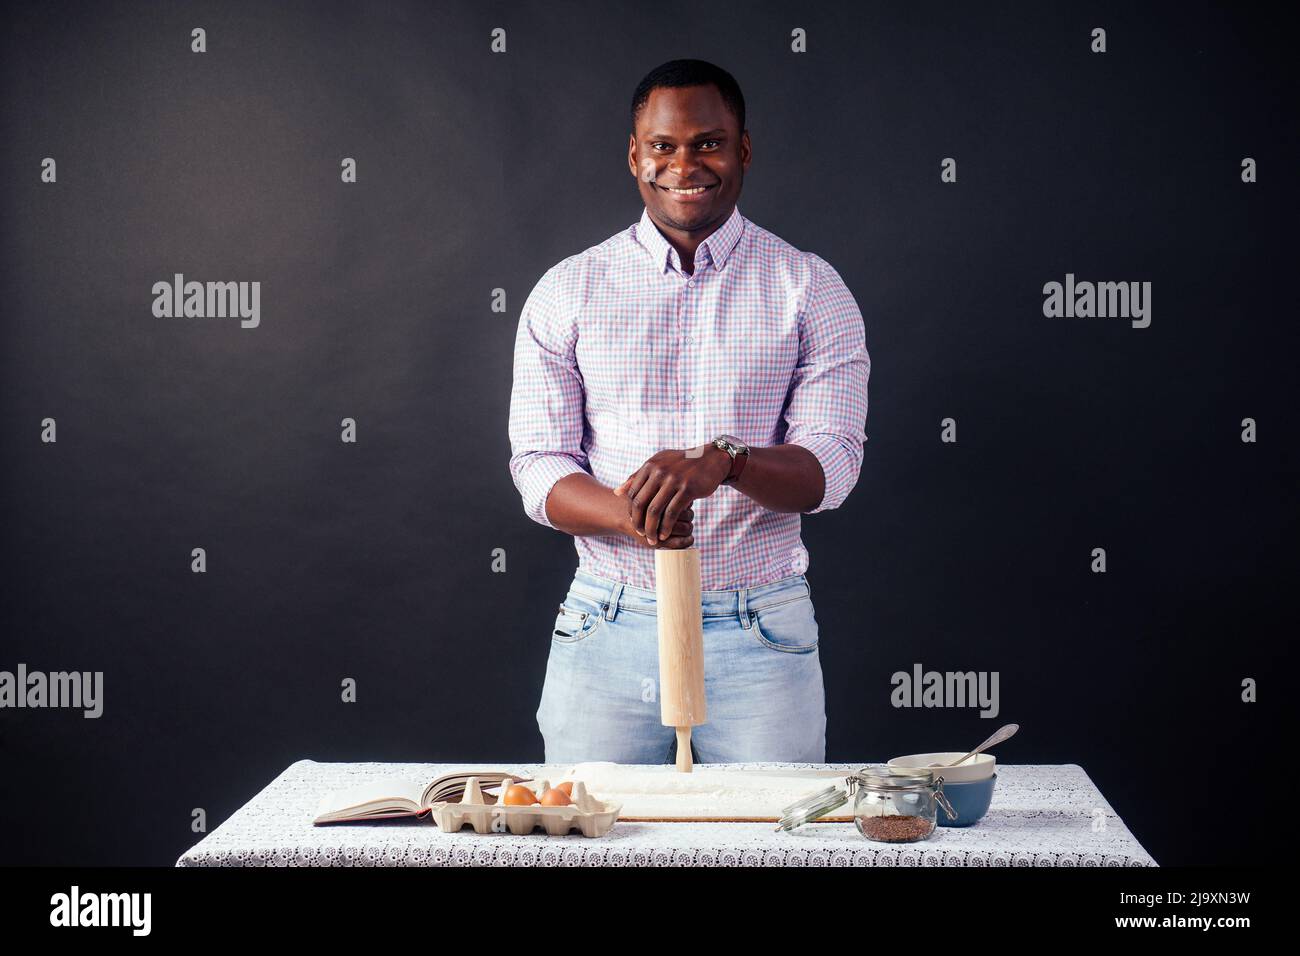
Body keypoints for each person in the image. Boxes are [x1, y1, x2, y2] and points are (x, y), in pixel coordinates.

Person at [508, 58, 869, 764]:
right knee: (594, 841)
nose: (684, 164)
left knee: (772, 842)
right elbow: (538, 464)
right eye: (663, 146)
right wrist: (639, 512)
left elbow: (834, 467)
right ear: (635, 156)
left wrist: (722, 464)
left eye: (707, 142)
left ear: (742, 150)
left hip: (761, 629)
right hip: (608, 624)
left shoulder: (809, 288)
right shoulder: (568, 289)